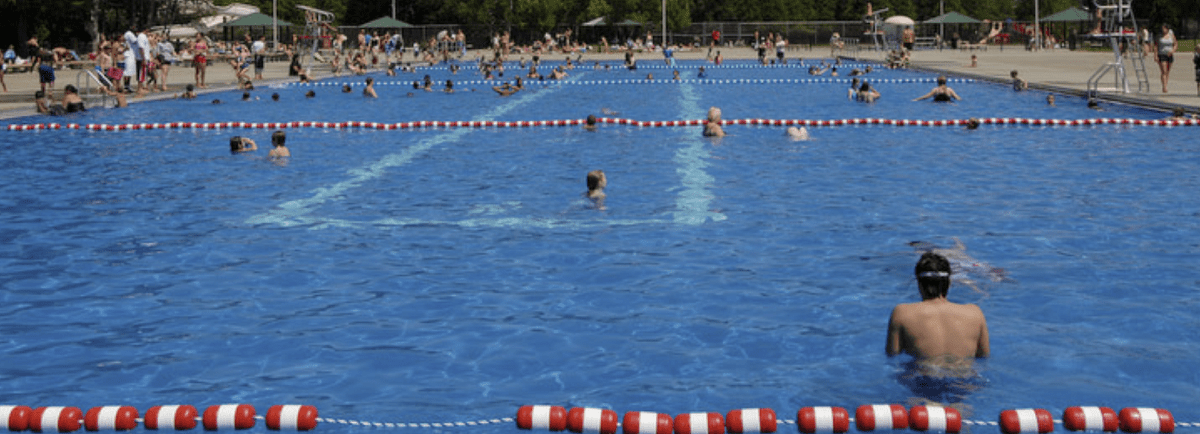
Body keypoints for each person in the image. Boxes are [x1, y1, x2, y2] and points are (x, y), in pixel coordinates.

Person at [886, 252, 990, 362]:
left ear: (919, 283)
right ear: (948, 283)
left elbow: (892, 355)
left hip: (922, 376)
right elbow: (984, 357)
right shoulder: (975, 313)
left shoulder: (902, 313)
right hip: (965, 378)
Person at [1157, 24, 1176, 93]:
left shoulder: (1171, 35)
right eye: (1162, 29)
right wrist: (1155, 55)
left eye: (1164, 28)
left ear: (1167, 29)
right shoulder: (1160, 36)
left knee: (1167, 71)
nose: (1163, 30)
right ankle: (1164, 86)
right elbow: (1156, 46)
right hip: (1162, 54)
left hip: (1169, 55)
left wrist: (1173, 50)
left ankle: (1166, 84)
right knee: (1164, 71)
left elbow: (1175, 44)